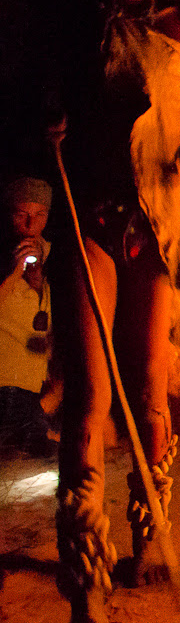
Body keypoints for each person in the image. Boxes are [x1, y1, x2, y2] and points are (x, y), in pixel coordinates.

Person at [49, 0, 180, 623]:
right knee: (92, 397)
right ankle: (85, 563)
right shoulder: (78, 29)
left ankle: (151, 527)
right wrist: (46, 127)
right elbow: (44, 114)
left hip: (158, 223)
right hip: (90, 216)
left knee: (150, 389)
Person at [0, 177, 55, 455]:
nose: (30, 224)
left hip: (40, 384)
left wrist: (38, 280)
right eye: (22, 215)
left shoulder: (54, 255)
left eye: (39, 215)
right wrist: (13, 273)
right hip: (6, 384)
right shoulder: (4, 256)